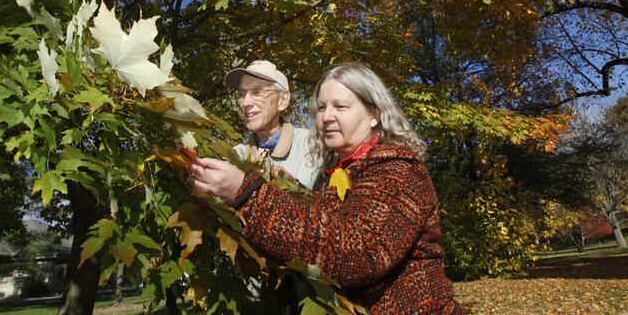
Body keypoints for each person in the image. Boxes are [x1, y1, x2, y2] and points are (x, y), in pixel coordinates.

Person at [190, 63, 463, 314]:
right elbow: (323, 226)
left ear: (373, 115)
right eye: (321, 108)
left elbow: (358, 254)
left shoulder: (398, 170)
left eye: (340, 107)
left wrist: (247, 192)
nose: (327, 117)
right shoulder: (342, 172)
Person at [224, 59, 319, 189]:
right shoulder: (234, 158)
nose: (245, 103)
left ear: (283, 100)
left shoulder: (314, 145)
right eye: (241, 94)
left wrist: (294, 187)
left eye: (257, 92)